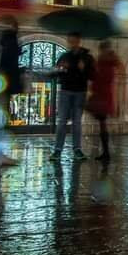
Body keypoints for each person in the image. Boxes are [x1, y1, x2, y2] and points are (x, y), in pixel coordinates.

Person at [50, 32, 95, 162]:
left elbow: (92, 75)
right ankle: (58, 150)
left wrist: (83, 69)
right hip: (65, 90)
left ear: (78, 41)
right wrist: (60, 69)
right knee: (62, 121)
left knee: (77, 122)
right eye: (70, 41)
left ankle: (77, 149)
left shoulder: (87, 58)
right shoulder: (64, 56)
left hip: (80, 92)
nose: (72, 43)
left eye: (74, 41)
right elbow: (55, 73)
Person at [0, 17, 21, 166]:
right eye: (16, 25)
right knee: (0, 121)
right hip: (3, 83)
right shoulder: (10, 41)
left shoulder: (2, 40)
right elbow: (9, 65)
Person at [87, 40, 121, 162]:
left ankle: (106, 152)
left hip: (104, 95)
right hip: (100, 94)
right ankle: (106, 152)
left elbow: (104, 77)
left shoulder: (109, 62)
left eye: (102, 49)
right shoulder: (102, 61)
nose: (100, 52)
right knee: (102, 124)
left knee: (103, 123)